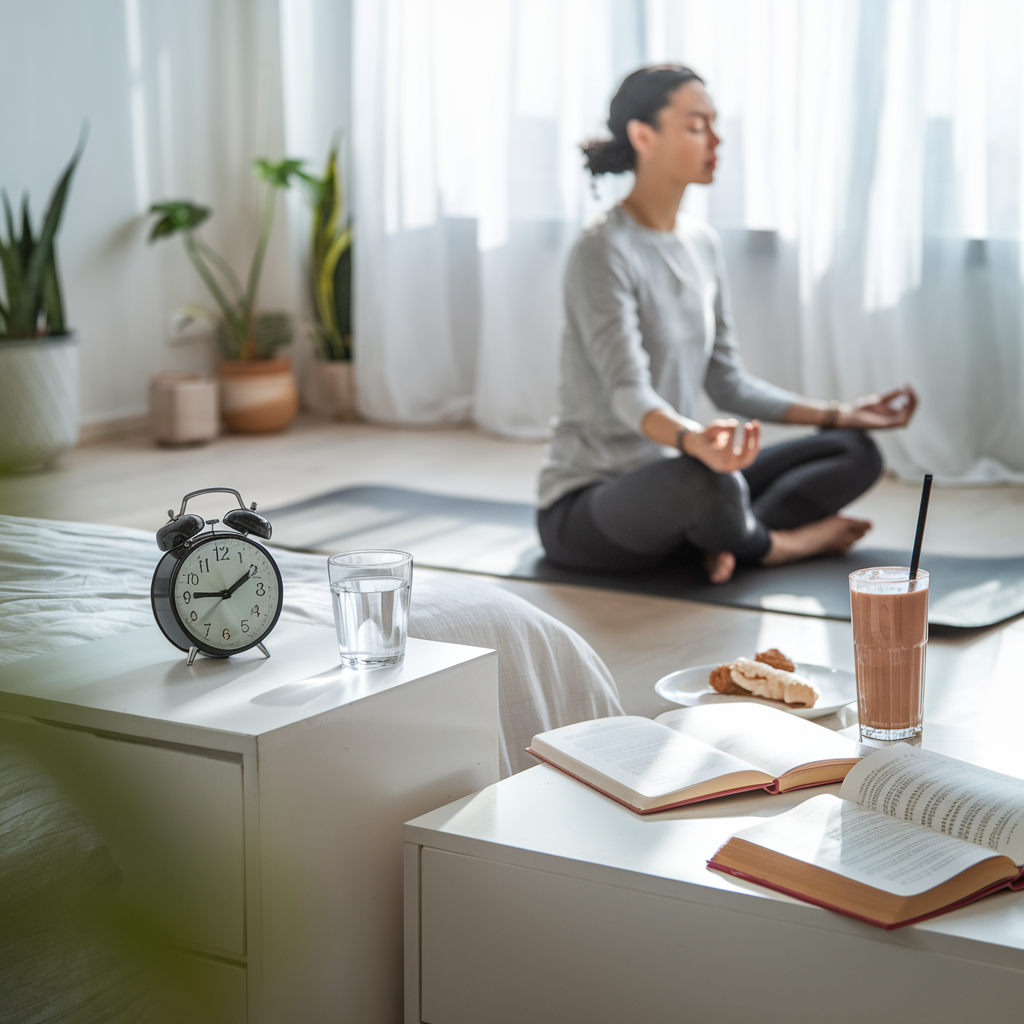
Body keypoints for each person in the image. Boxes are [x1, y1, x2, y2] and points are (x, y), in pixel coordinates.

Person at [538, 64, 917, 584]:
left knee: (854, 449)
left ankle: (725, 538)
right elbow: (630, 393)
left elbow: (727, 381)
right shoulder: (601, 250)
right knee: (709, 485)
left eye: (715, 124)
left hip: (677, 469)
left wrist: (841, 413)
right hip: (589, 508)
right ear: (643, 135)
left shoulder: (701, 243)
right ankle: (774, 544)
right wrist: (694, 440)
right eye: (696, 126)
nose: (716, 140)